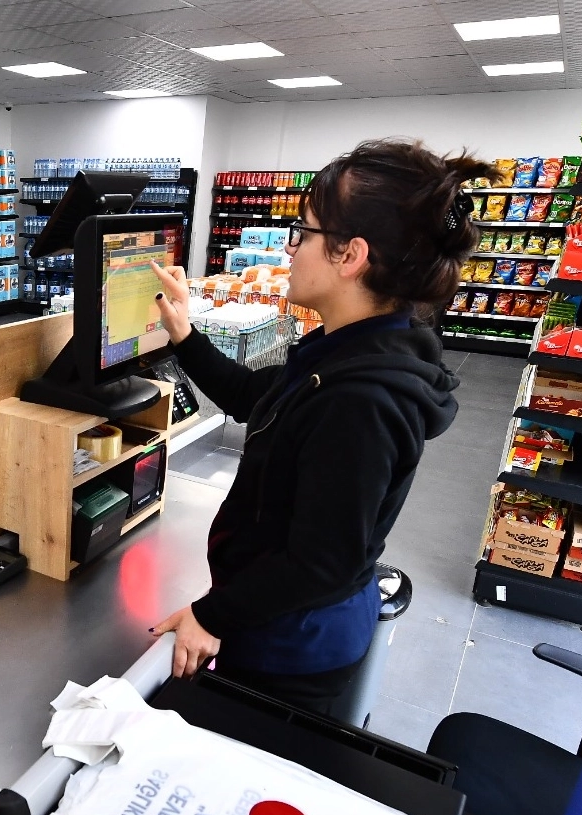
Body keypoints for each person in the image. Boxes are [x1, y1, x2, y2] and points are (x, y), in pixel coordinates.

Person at [149, 139, 489, 713]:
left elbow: (321, 563)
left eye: (302, 233)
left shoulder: (360, 400)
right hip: (282, 617)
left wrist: (212, 615)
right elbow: (254, 397)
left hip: (291, 644)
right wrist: (183, 333)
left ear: (350, 255)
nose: (290, 248)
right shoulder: (351, 348)